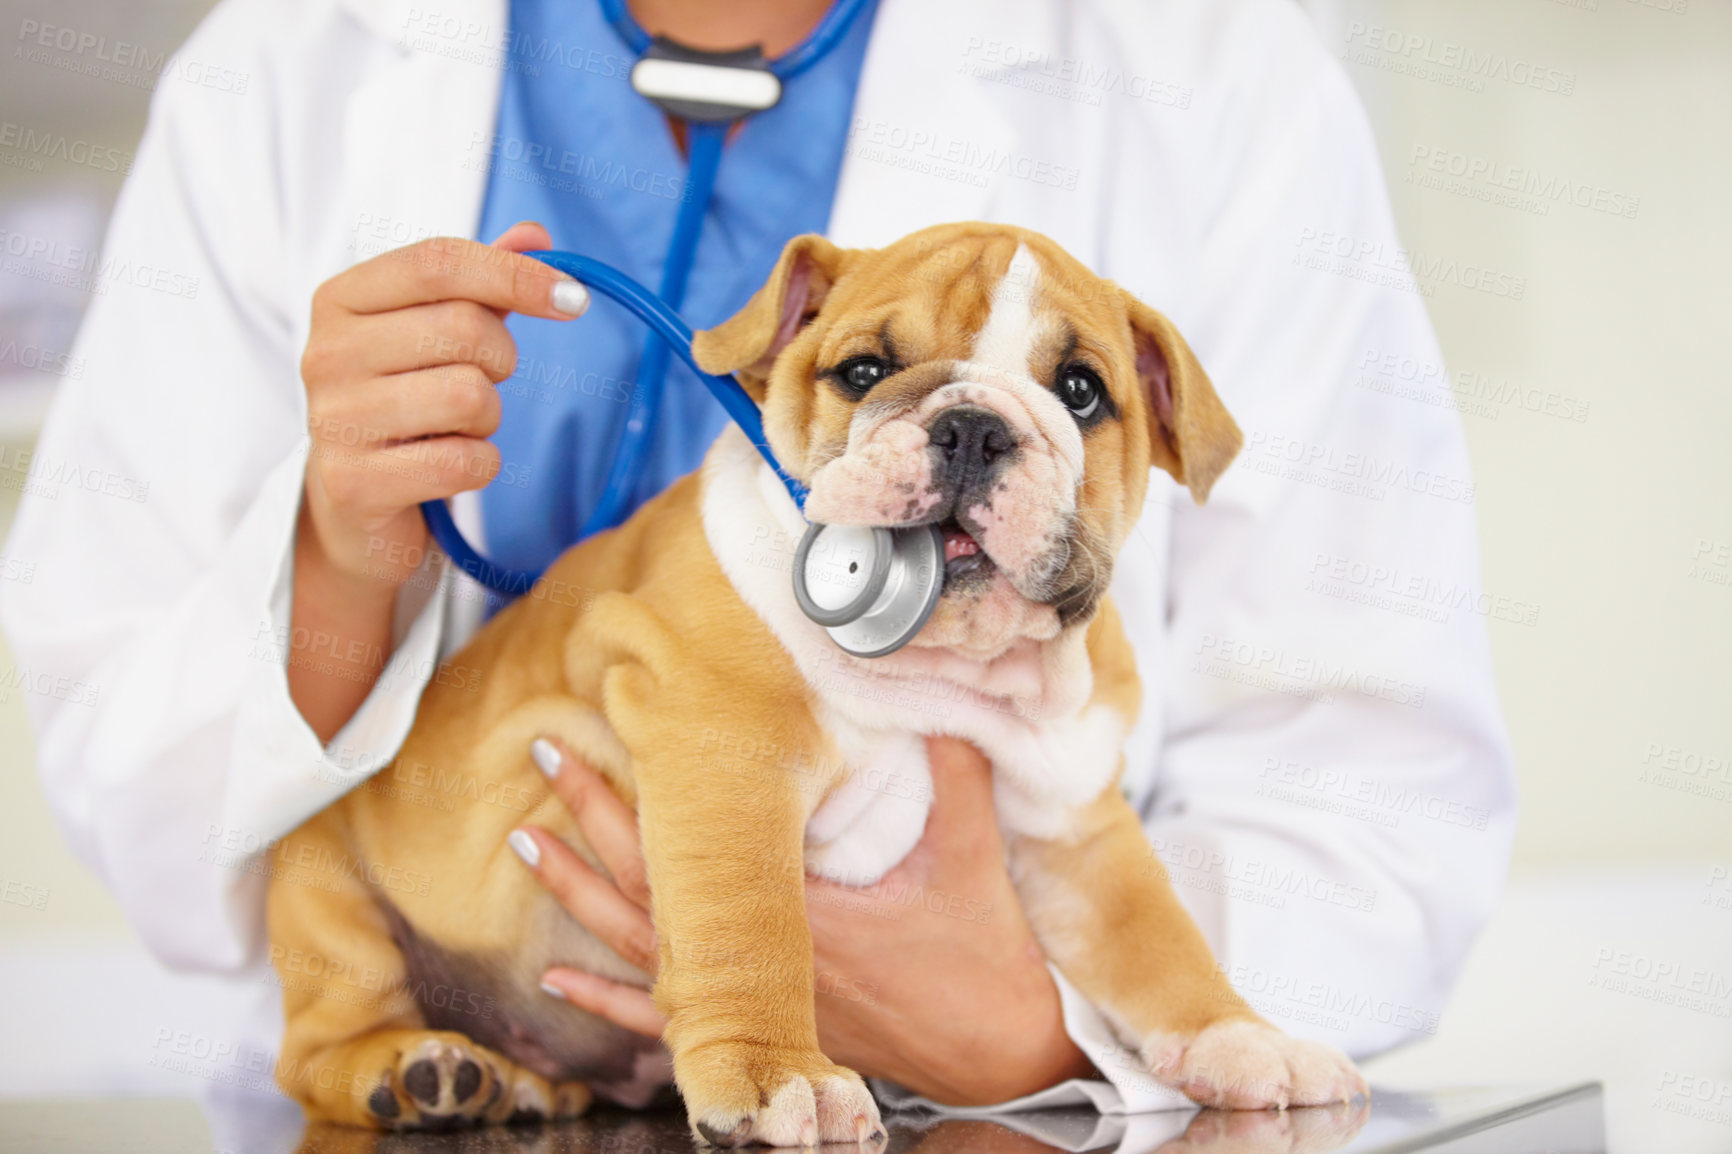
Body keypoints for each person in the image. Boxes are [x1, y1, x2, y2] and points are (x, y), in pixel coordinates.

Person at [1, 0, 1516, 1116]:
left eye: (1061, 396)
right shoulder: (282, 75)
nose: (974, 435)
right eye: (877, 375)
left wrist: (1038, 1029)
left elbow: (1379, 785)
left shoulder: (1217, 84)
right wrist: (335, 558)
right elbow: (130, 749)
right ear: (795, 342)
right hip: (494, 1059)